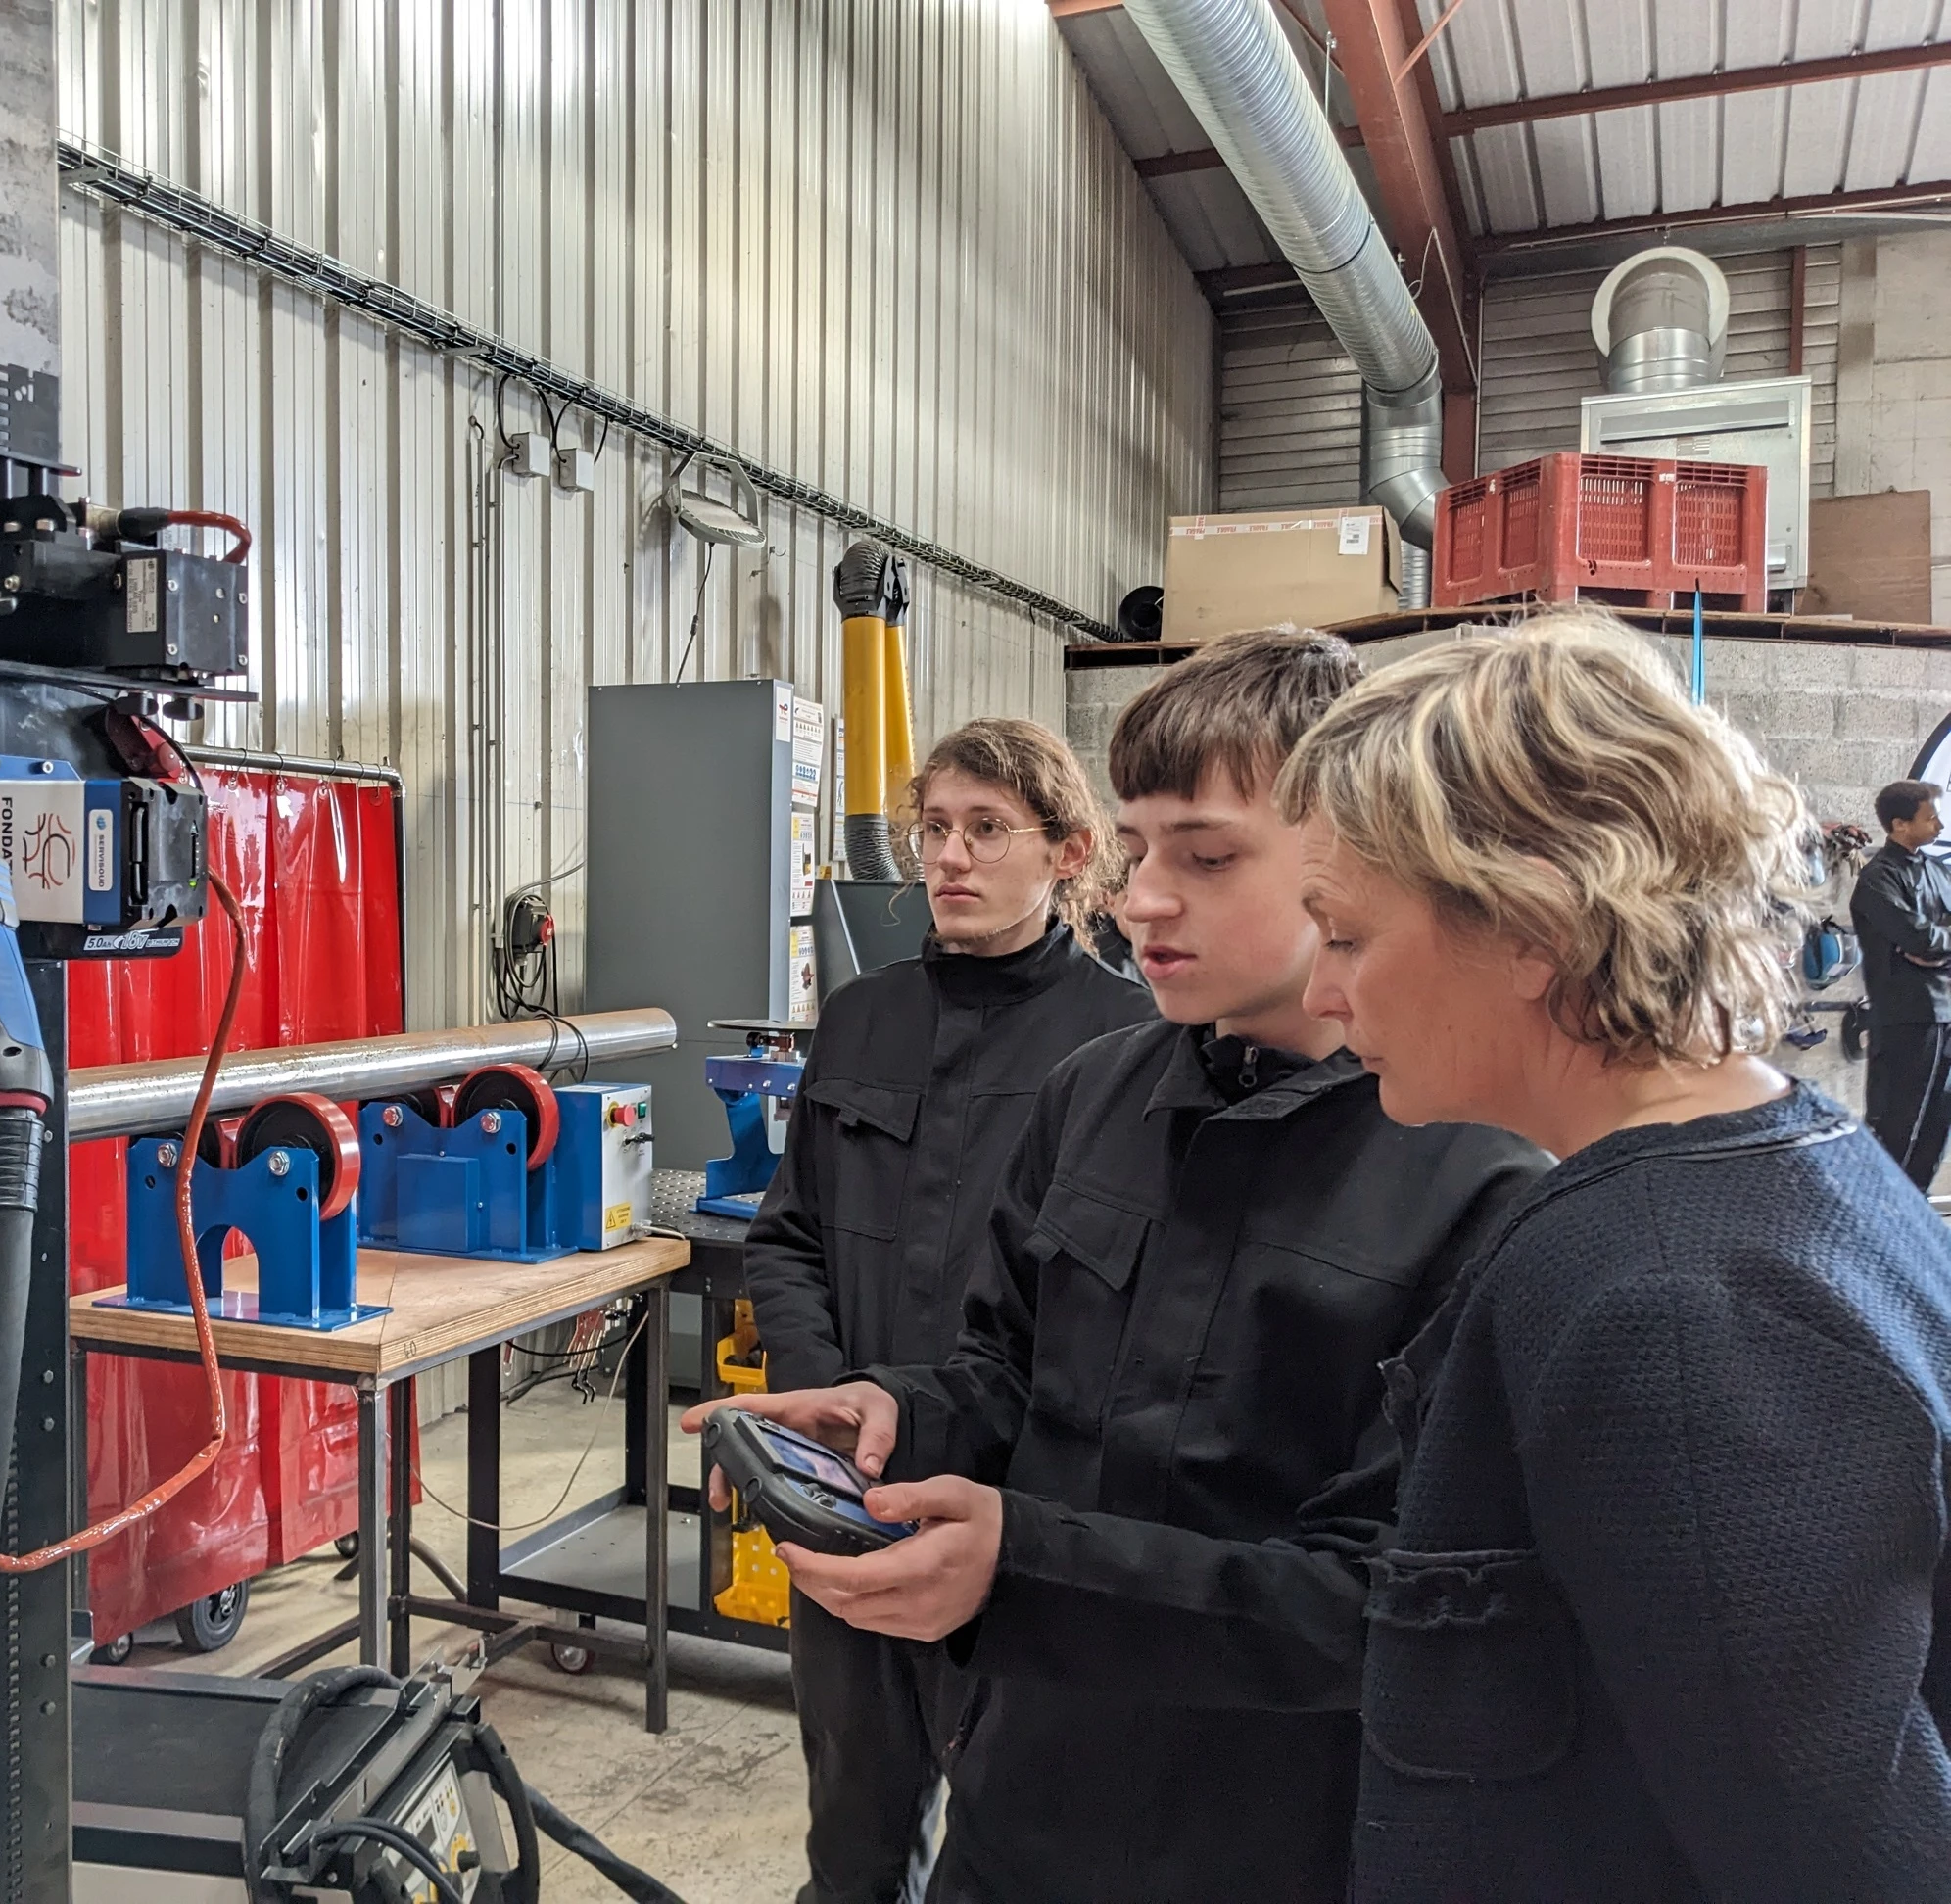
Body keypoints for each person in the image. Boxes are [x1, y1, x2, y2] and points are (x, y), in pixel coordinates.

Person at [692, 628, 1545, 1903]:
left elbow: (1396, 1604)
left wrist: (1018, 1573)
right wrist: (892, 1413)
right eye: (1141, 851)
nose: (1144, 897)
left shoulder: (1476, 1175)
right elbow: (1006, 1369)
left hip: (1264, 1842)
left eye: (1204, 857)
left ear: (1361, 847)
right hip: (1019, 1802)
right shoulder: (1096, 1094)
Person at [1278, 611, 1951, 1901]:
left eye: (1349, 935)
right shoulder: (1797, 1161)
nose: (1322, 993)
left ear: (1531, 925)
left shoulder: (1671, 1309)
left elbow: (1844, 1859)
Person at [744, 716, 1153, 1904]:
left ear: (1069, 854)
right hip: (848, 1498)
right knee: (853, 1843)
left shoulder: (1125, 1043)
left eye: (987, 830)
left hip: (1011, 1513)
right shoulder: (865, 1018)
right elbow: (789, 1233)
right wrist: (815, 1397)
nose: (952, 860)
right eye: (934, 830)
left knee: (1017, 1844)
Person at [1849, 778, 1951, 1186]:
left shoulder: (1939, 871)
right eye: (1931, 818)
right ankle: (1884, 1219)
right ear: (1900, 824)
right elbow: (1916, 938)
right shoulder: (1878, 879)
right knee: (1898, 1121)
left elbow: (1927, 944)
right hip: (1905, 1018)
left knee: (1939, 1121)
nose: (1940, 826)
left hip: (1946, 1013)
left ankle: (1918, 1214)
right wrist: (1931, 944)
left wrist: (1934, 948)